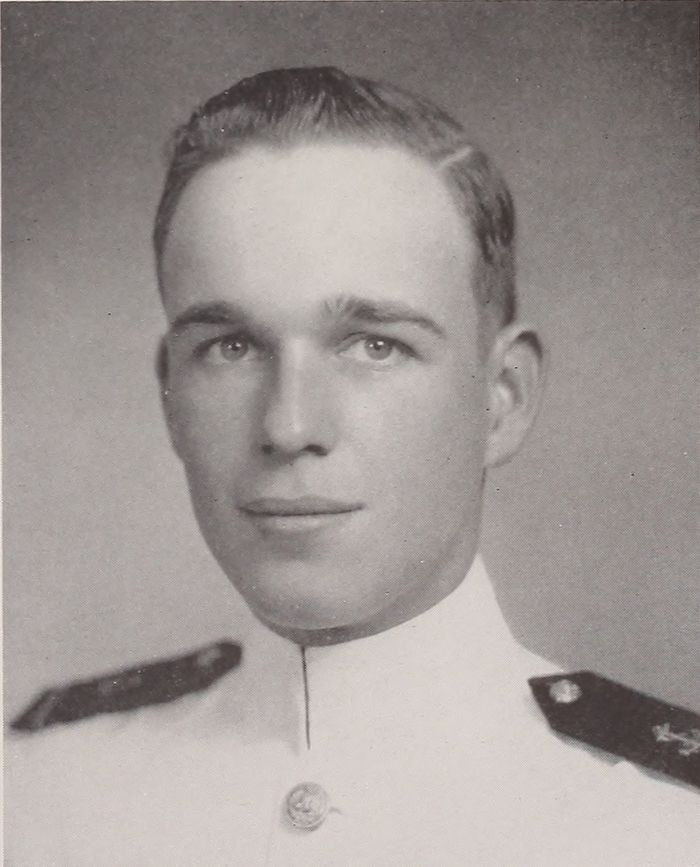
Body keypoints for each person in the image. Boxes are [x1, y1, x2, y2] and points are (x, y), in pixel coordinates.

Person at [6, 67, 699, 865]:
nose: (289, 425)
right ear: (170, 397)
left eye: (375, 345)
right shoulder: (34, 796)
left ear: (502, 398)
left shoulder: (665, 826)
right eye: (230, 347)